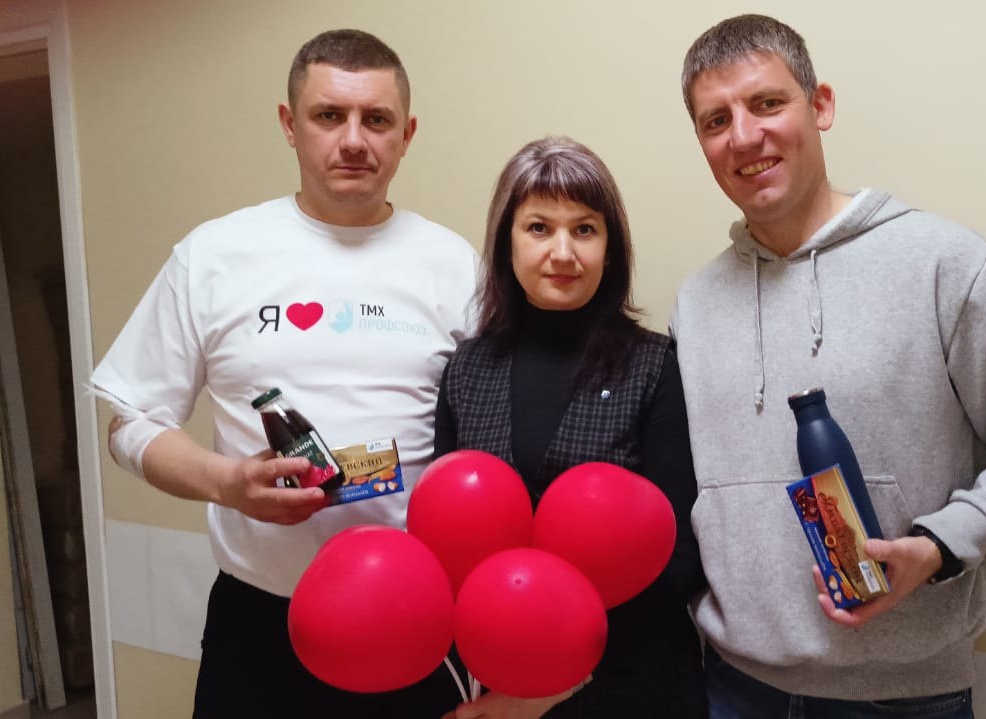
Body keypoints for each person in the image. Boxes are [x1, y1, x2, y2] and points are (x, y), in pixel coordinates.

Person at [670, 14, 986, 718]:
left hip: (904, 698)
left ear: (821, 105)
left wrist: (937, 546)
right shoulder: (696, 303)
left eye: (767, 103)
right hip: (731, 688)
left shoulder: (945, 265)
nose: (744, 136)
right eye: (716, 120)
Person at [90, 29, 479, 717]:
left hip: (415, 615)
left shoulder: (456, 266)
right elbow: (129, 425)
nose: (353, 140)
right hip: (261, 624)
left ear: (407, 134)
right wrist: (227, 483)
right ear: (289, 124)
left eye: (376, 119)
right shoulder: (214, 255)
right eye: (329, 115)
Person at [434, 137, 707, 719]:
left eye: (584, 229)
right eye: (539, 228)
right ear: (506, 242)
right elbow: (446, 543)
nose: (563, 252)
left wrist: (558, 683)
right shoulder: (466, 371)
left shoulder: (654, 365)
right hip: (497, 687)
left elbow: (680, 558)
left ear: (611, 248)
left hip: (632, 687)